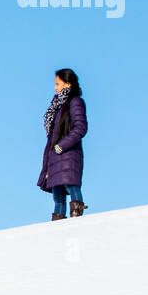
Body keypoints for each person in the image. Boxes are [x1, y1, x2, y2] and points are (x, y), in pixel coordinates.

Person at [38, 68, 88, 219]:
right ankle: (57, 226)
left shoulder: (75, 102)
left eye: (58, 84)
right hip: (54, 157)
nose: (55, 88)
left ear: (67, 84)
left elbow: (80, 128)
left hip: (68, 155)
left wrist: (62, 145)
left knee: (71, 185)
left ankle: (76, 217)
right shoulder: (57, 107)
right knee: (57, 195)